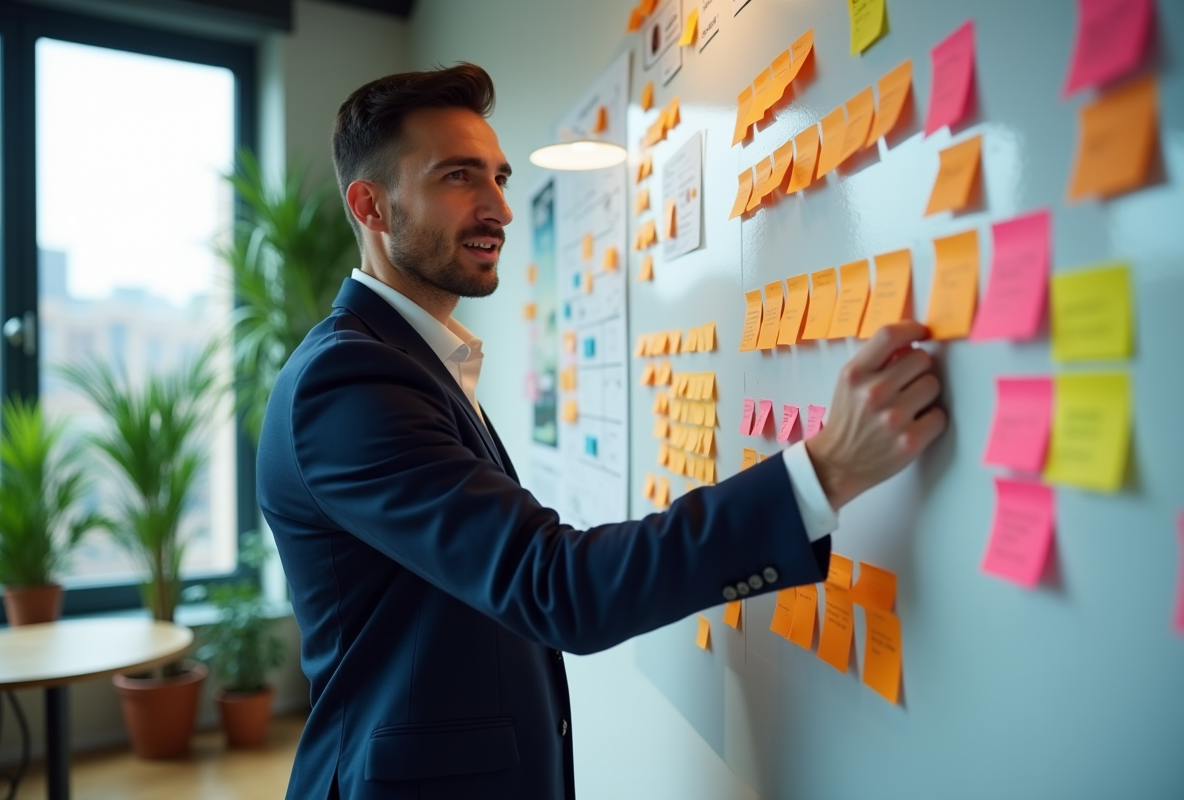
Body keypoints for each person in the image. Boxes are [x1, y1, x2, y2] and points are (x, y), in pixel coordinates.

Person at [257, 63, 946, 800]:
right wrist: (824, 472)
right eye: (458, 176)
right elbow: (555, 586)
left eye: (499, 177)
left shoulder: (412, 360)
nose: (499, 208)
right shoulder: (349, 382)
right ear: (371, 206)